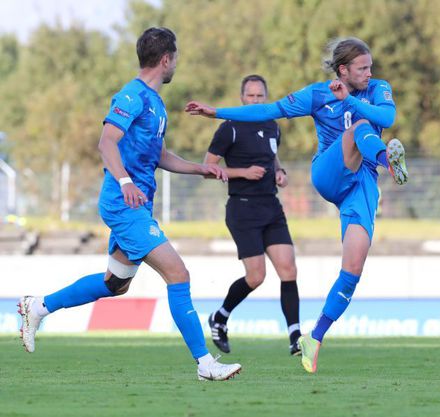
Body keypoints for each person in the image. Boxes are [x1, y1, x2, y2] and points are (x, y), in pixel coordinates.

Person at [17, 27, 241, 381]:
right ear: (166, 59)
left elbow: (160, 155)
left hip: (136, 204)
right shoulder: (131, 96)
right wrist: (124, 182)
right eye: (175, 59)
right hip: (124, 204)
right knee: (178, 274)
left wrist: (200, 169)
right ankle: (205, 364)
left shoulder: (156, 103)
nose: (176, 65)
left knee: (115, 283)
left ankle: (38, 307)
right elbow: (106, 142)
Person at [186, 37, 408, 373]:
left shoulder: (378, 88)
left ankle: (313, 338)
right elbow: (267, 110)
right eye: (362, 68)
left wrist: (350, 99)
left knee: (352, 271)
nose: (369, 72)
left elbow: (387, 118)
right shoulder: (318, 94)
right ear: (344, 69)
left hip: (361, 185)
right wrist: (216, 111)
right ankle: (388, 162)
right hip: (330, 172)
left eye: (370, 66)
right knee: (359, 129)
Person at [204, 74, 301, 356]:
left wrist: (279, 172)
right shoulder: (229, 129)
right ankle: (220, 317)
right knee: (256, 277)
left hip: (270, 205)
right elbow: (208, 168)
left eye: (260, 96)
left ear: (266, 98)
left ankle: (295, 336)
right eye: (251, 96)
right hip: (242, 208)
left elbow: (272, 156)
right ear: (241, 98)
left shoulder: (272, 126)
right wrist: (242, 173)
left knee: (289, 270)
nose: (256, 101)